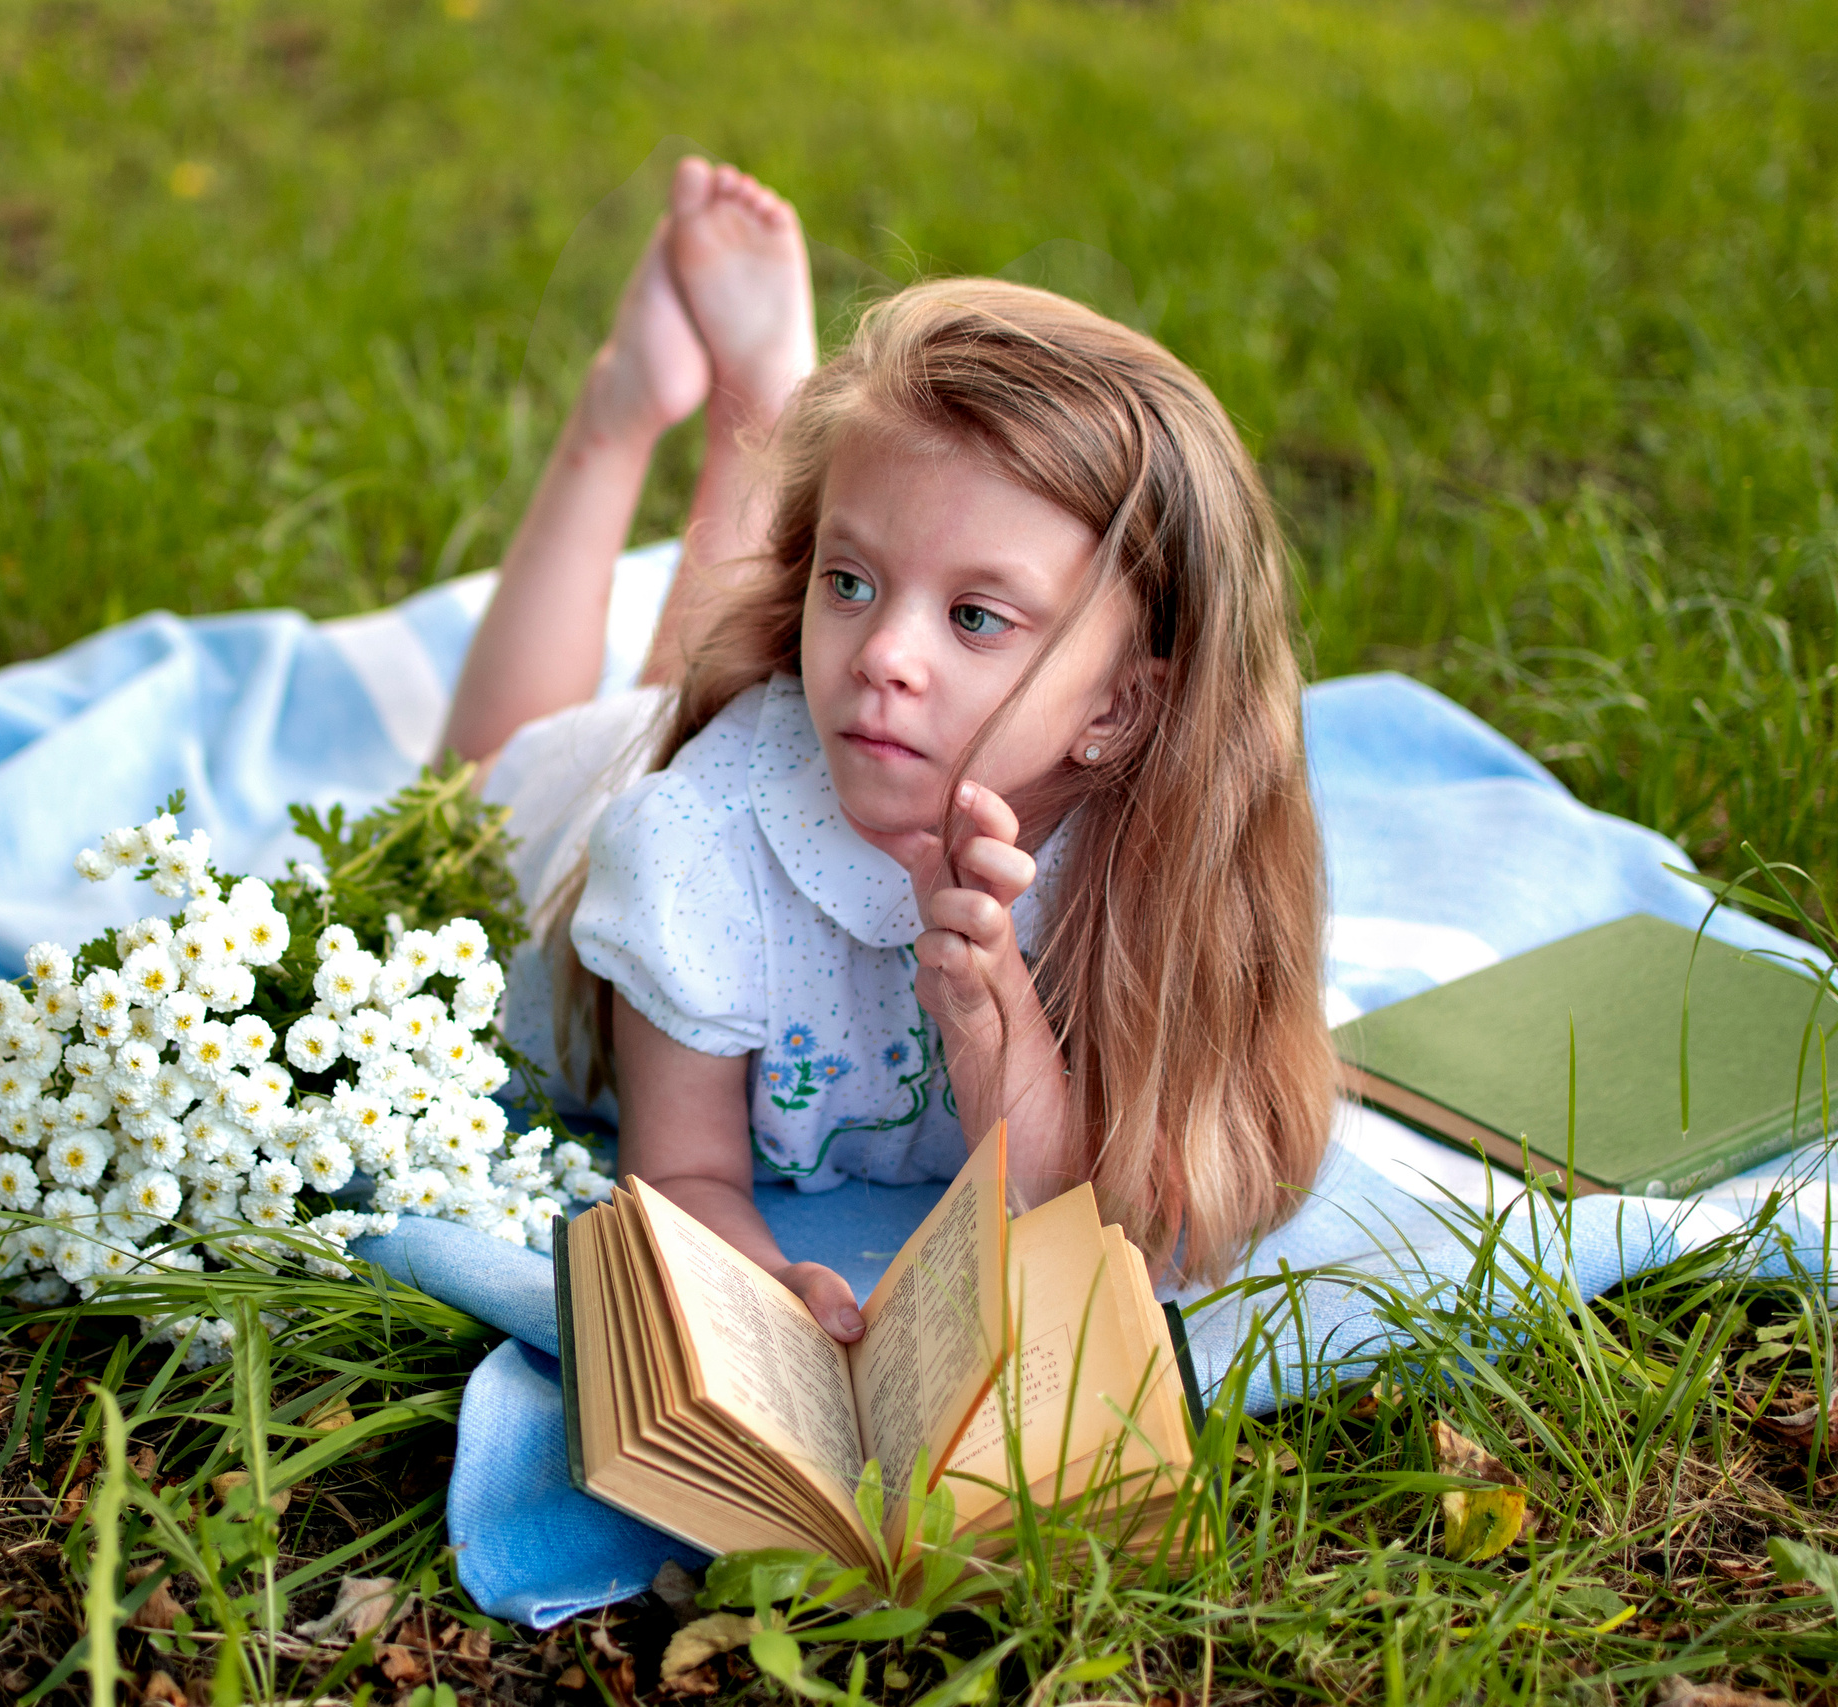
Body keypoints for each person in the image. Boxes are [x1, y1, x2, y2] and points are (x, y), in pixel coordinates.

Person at [444, 156, 1335, 1343]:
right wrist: (765, 1291)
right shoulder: (690, 845)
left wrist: (991, 1021)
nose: (884, 656)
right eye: (846, 579)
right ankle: (619, 419)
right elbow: (683, 1174)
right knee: (474, 782)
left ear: (1117, 710)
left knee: (711, 678)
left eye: (976, 617)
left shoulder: (1159, 856)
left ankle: (768, 412)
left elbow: (1090, 1225)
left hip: (767, 743)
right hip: (593, 811)